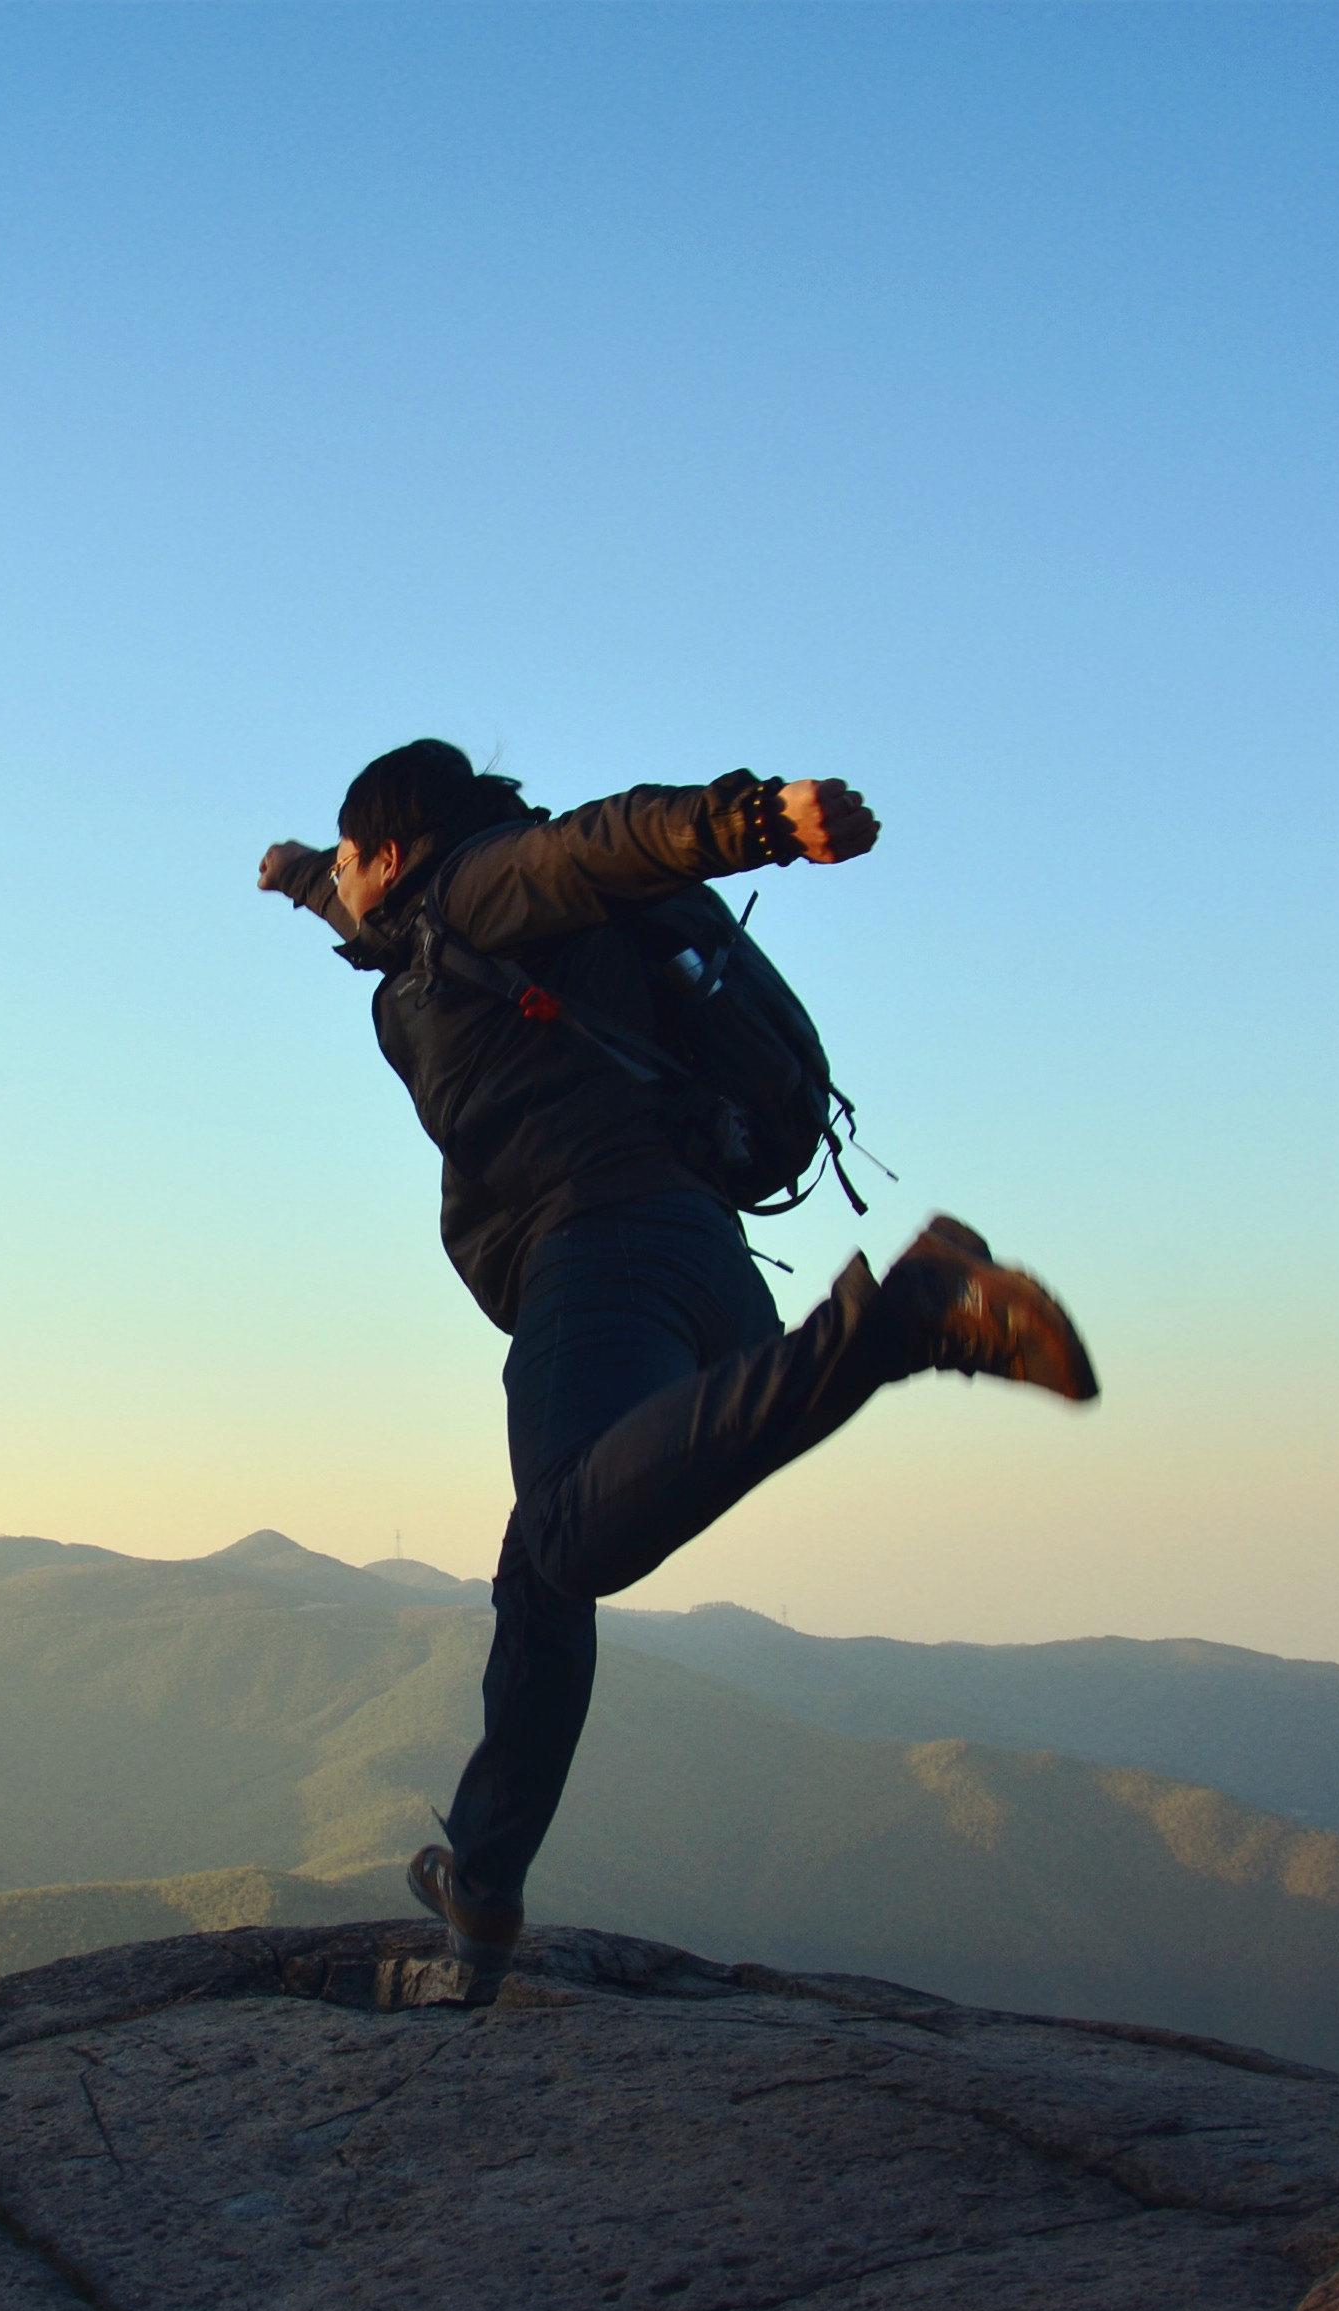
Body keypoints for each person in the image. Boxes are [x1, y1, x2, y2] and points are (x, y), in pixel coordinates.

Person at [257, 739, 1096, 1993]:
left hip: (602, 1260)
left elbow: (599, 840)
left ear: (391, 853)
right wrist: (298, 883)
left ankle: (904, 1315)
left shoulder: (488, 885)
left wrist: (755, 821)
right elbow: (395, 908)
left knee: (574, 1545)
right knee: (542, 1568)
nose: (339, 882)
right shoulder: (442, 919)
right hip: (697, 1267)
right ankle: (481, 1897)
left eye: (346, 861)